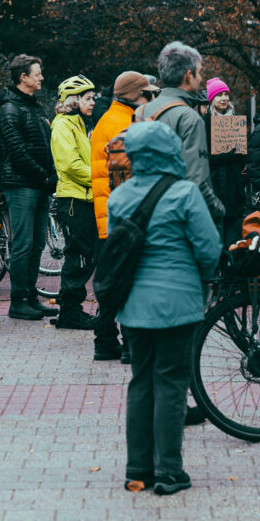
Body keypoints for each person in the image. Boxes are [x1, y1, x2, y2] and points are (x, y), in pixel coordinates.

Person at [112, 122, 221, 496]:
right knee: (171, 383)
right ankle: (169, 472)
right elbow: (209, 249)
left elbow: (118, 253)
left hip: (134, 308)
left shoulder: (120, 197)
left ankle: (137, 470)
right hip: (179, 305)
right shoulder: (186, 193)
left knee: (141, 382)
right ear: (169, 151)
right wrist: (201, 280)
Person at [89, 71, 159, 361]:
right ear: (134, 94)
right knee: (129, 280)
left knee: (115, 279)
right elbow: (129, 174)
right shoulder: (125, 122)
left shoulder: (109, 118)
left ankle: (106, 341)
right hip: (122, 214)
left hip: (110, 212)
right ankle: (127, 344)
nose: (151, 97)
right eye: (147, 93)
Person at [0, 54, 58, 321]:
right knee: (23, 243)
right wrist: (43, 177)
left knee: (36, 243)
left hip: (39, 185)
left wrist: (49, 176)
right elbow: (16, 151)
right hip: (23, 185)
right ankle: (18, 300)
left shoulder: (33, 107)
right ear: (23, 77)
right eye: (37, 73)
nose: (41, 77)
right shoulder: (11, 108)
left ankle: (30, 296)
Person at [140, 42, 226, 223]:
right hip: (177, 218)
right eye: (199, 72)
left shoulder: (141, 112)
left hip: (144, 212)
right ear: (188, 76)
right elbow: (197, 182)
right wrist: (219, 210)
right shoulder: (189, 118)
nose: (201, 78)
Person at [50, 75, 98, 331]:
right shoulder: (63, 126)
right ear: (74, 100)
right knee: (78, 255)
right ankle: (70, 312)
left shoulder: (77, 123)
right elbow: (70, 165)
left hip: (83, 197)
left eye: (93, 98)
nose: (92, 103)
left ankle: (71, 309)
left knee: (84, 254)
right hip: (73, 200)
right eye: (88, 99)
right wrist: (100, 179)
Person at [203, 77, 247, 245]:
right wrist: (231, 154)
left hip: (235, 188)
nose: (223, 98)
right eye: (219, 95)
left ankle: (232, 268)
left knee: (233, 237)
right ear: (211, 99)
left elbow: (242, 154)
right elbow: (206, 157)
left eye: (225, 94)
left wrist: (244, 163)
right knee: (217, 236)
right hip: (216, 187)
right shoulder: (205, 122)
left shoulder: (235, 121)